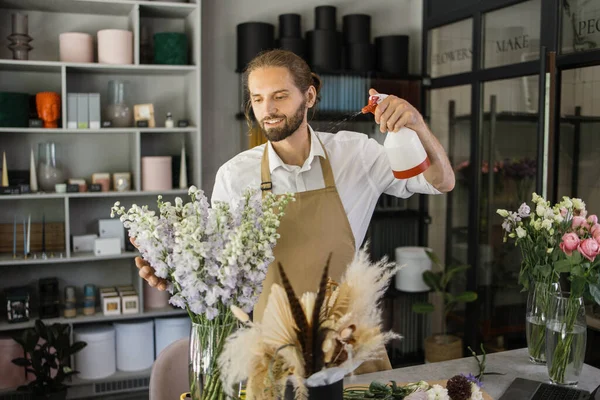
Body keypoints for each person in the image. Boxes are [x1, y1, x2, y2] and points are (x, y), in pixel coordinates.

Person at [133, 49, 454, 373]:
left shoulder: (356, 154)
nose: (267, 110)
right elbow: (218, 269)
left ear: (309, 95)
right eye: (257, 99)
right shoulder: (235, 175)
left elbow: (441, 182)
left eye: (280, 96)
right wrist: (173, 270)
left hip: (350, 348)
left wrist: (416, 124)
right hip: (274, 354)